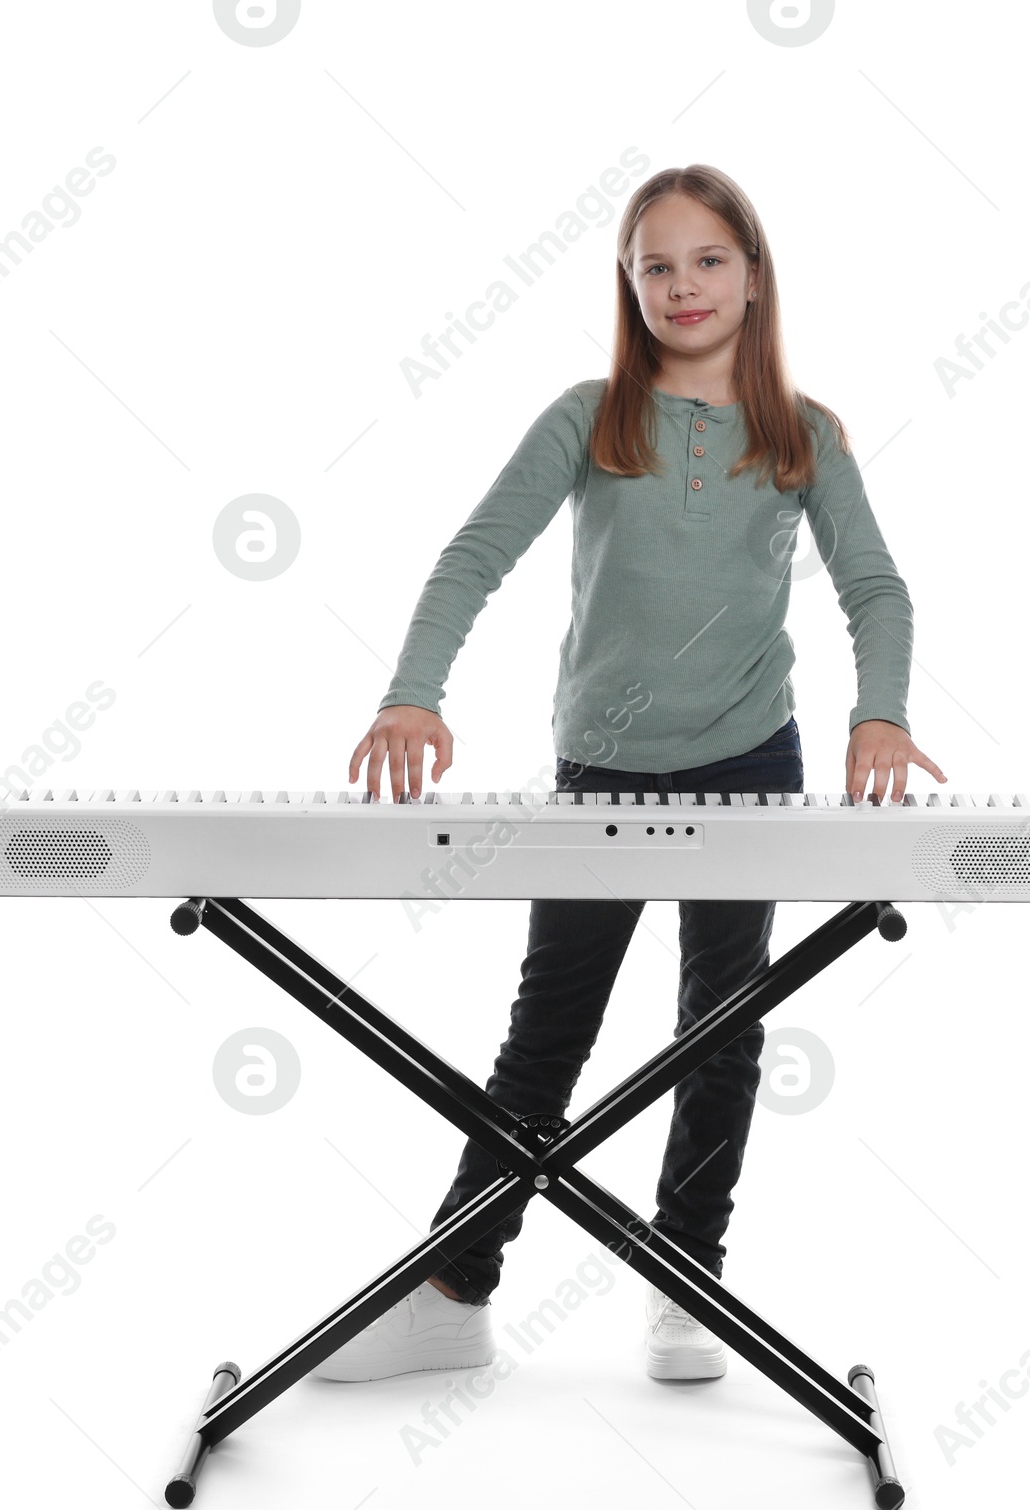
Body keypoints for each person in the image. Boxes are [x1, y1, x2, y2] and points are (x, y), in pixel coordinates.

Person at [314, 164, 945, 1385]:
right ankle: (454, 1286)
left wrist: (882, 716)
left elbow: (875, 586)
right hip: (604, 768)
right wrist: (412, 690)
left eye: (707, 259)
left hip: (752, 760)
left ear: (752, 276)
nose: (682, 284)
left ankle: (686, 1279)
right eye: (655, 264)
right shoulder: (587, 415)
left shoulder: (802, 434)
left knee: (721, 1029)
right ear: (628, 282)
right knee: (546, 1035)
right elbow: (470, 558)